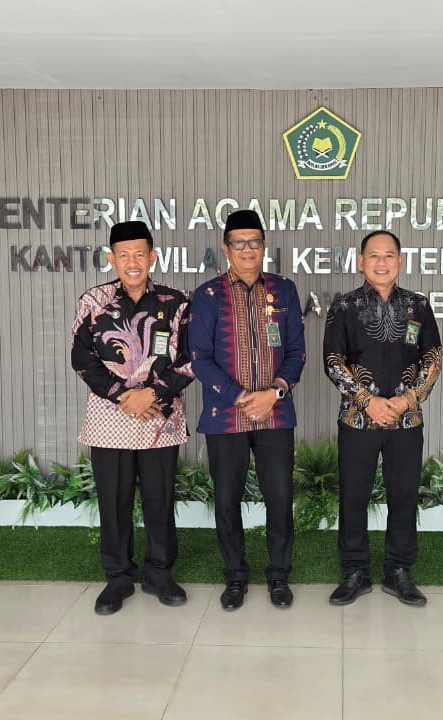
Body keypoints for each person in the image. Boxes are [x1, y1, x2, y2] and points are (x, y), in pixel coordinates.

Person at [70, 220, 195, 615]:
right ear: (112, 259)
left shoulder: (177, 302)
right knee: (114, 502)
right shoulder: (94, 301)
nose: (132, 262)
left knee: (159, 500)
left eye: (139, 253)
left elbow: (191, 360)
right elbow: (81, 359)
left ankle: (159, 573)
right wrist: (124, 396)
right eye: (123, 255)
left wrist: (152, 394)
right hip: (110, 419)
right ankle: (118, 578)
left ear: (152, 256)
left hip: (160, 419)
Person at [188, 209, 306, 611]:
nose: (247, 249)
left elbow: (296, 352)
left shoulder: (284, 290)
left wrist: (274, 392)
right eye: (239, 243)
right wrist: (241, 397)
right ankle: (235, 576)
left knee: (279, 496)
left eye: (254, 242)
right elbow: (199, 358)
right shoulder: (207, 295)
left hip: (276, 413)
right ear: (226, 249)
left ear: (263, 246)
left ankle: (279, 575)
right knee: (226, 499)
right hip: (225, 416)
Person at [322, 230, 442, 608]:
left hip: (406, 421)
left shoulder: (418, 306)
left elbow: (433, 358)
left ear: (400, 261)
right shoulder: (344, 307)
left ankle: (398, 571)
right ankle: (354, 572)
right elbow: (333, 361)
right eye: (373, 255)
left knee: (403, 495)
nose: (381, 262)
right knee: (353, 496)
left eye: (389, 255)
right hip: (358, 420)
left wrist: (407, 400)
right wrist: (367, 401)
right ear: (361, 262)